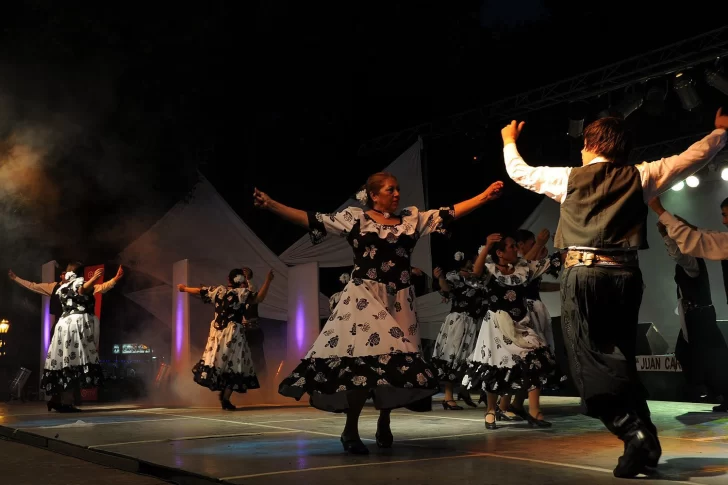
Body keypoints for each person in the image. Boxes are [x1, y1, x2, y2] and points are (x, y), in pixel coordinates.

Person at [500, 108, 728, 477]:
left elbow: (520, 173)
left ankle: (631, 429)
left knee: (587, 361)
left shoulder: (569, 178)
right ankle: (646, 440)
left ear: (590, 144)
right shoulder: (642, 175)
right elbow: (693, 157)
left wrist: (509, 141)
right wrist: (719, 133)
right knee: (620, 356)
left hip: (585, 275)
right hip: (625, 276)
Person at [254, 172, 503, 454]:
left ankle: (384, 422)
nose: (396, 194)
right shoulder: (355, 219)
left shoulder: (410, 221)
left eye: (397, 189)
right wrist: (273, 205)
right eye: (390, 190)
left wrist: (483, 197)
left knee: (393, 366)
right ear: (374, 195)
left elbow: (448, 213)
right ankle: (351, 428)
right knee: (363, 364)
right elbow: (314, 219)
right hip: (365, 297)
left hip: (399, 300)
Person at [464, 232, 560, 430]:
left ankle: (534, 411)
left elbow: (535, 260)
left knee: (536, 357)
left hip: (521, 323)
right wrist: (486, 245)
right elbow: (476, 272)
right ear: (499, 252)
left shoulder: (522, 269)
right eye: (511, 247)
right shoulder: (491, 271)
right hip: (496, 324)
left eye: (516, 246)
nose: (516, 249)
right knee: (496, 366)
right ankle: (491, 410)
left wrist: (542, 243)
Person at [10, 263, 124, 411]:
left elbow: (100, 287)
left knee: (62, 364)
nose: (63, 275)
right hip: (71, 328)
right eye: (64, 273)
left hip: (63, 327)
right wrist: (17, 279)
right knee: (72, 363)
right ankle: (66, 401)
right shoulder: (60, 286)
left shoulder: (66, 287)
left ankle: (58, 400)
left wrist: (114, 278)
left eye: (65, 273)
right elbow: (34, 286)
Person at [656, 219, 728, 412]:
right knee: (693, 354)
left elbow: (678, 256)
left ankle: (711, 390)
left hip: (700, 317)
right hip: (694, 317)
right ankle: (709, 389)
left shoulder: (692, 261)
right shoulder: (690, 260)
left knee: (713, 358)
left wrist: (665, 236)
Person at [179, 268, 274, 410]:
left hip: (217, 333)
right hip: (233, 334)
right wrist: (268, 281)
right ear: (241, 282)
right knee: (235, 365)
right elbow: (259, 298)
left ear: (228, 280)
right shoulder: (242, 293)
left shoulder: (218, 291)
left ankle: (224, 396)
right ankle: (225, 397)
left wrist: (184, 288)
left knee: (218, 362)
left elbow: (200, 291)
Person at [430, 248, 489, 410]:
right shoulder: (456, 276)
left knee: (473, 358)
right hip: (459, 321)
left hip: (477, 322)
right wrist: (441, 277)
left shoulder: (483, 277)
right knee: (453, 356)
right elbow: (447, 289)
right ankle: (448, 397)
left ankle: (464, 390)